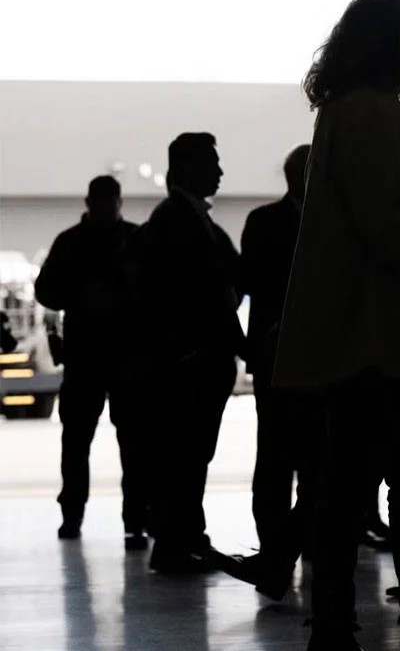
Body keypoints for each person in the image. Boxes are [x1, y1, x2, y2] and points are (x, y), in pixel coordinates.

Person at [273, 0, 400, 651]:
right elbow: (388, 226)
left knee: (347, 481)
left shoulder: (342, 112)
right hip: (382, 336)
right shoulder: (373, 114)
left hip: (359, 335)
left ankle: (335, 623)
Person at [124, 133, 243, 574]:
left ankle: (183, 539)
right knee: (185, 457)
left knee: (185, 457)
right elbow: (204, 295)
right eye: (212, 162)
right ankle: (178, 543)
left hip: (189, 361)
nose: (220, 171)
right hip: (190, 364)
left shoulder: (180, 218)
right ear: (188, 167)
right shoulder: (179, 221)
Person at [221, 144, 323, 600]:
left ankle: (279, 553)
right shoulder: (326, 224)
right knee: (285, 459)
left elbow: (244, 283)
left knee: (286, 459)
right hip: (287, 356)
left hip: (285, 356)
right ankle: (280, 549)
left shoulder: (264, 222)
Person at [34, 175, 148, 549]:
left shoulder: (70, 243)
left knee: (79, 442)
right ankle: (135, 520)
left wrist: (79, 295)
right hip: (124, 357)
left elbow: (46, 291)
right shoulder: (134, 239)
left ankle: (75, 515)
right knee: (130, 443)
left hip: (86, 356)